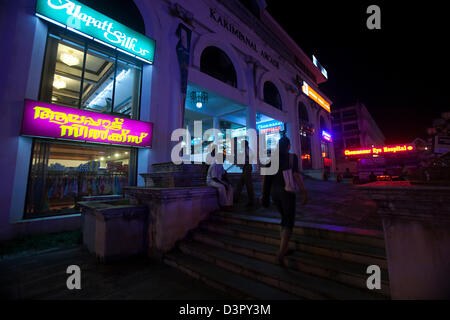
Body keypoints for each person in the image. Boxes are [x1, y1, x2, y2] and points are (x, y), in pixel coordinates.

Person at [260, 136, 307, 266]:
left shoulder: (272, 159)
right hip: (287, 192)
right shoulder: (292, 157)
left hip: (274, 193)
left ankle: (284, 247)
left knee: (283, 218)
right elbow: (296, 175)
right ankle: (280, 253)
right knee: (288, 221)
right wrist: (304, 192)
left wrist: (264, 195)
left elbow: (265, 178)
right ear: (288, 146)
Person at [206, 146, 233, 211]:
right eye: (223, 158)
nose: (224, 159)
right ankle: (223, 204)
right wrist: (223, 184)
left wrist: (228, 182)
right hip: (211, 181)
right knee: (222, 187)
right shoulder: (215, 165)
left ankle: (229, 204)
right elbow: (214, 177)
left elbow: (223, 174)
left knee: (230, 187)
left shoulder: (220, 165)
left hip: (218, 180)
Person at [234, 140, 255, 207]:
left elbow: (250, 158)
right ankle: (236, 198)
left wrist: (245, 162)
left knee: (247, 184)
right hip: (246, 168)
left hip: (247, 168)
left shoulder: (247, 150)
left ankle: (251, 201)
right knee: (241, 183)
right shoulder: (246, 150)